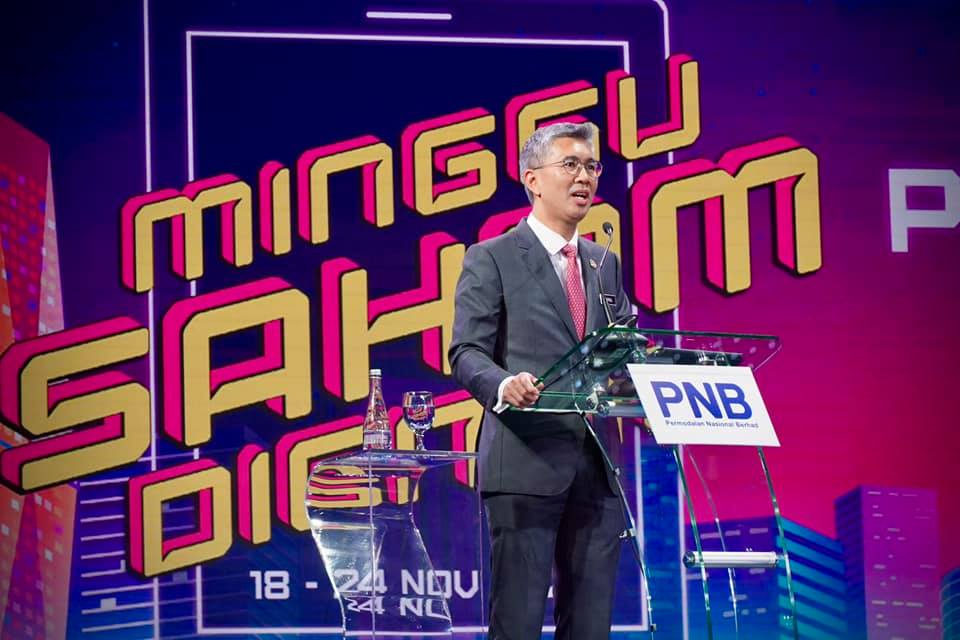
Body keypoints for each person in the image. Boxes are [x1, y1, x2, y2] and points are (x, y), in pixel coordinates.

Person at [448, 122, 633, 639]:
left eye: (592, 166)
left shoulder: (603, 262)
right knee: (518, 622)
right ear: (532, 179)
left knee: (591, 626)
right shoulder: (492, 256)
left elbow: (620, 348)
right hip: (524, 461)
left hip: (597, 466)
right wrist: (503, 385)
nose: (584, 177)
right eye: (570, 165)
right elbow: (465, 351)